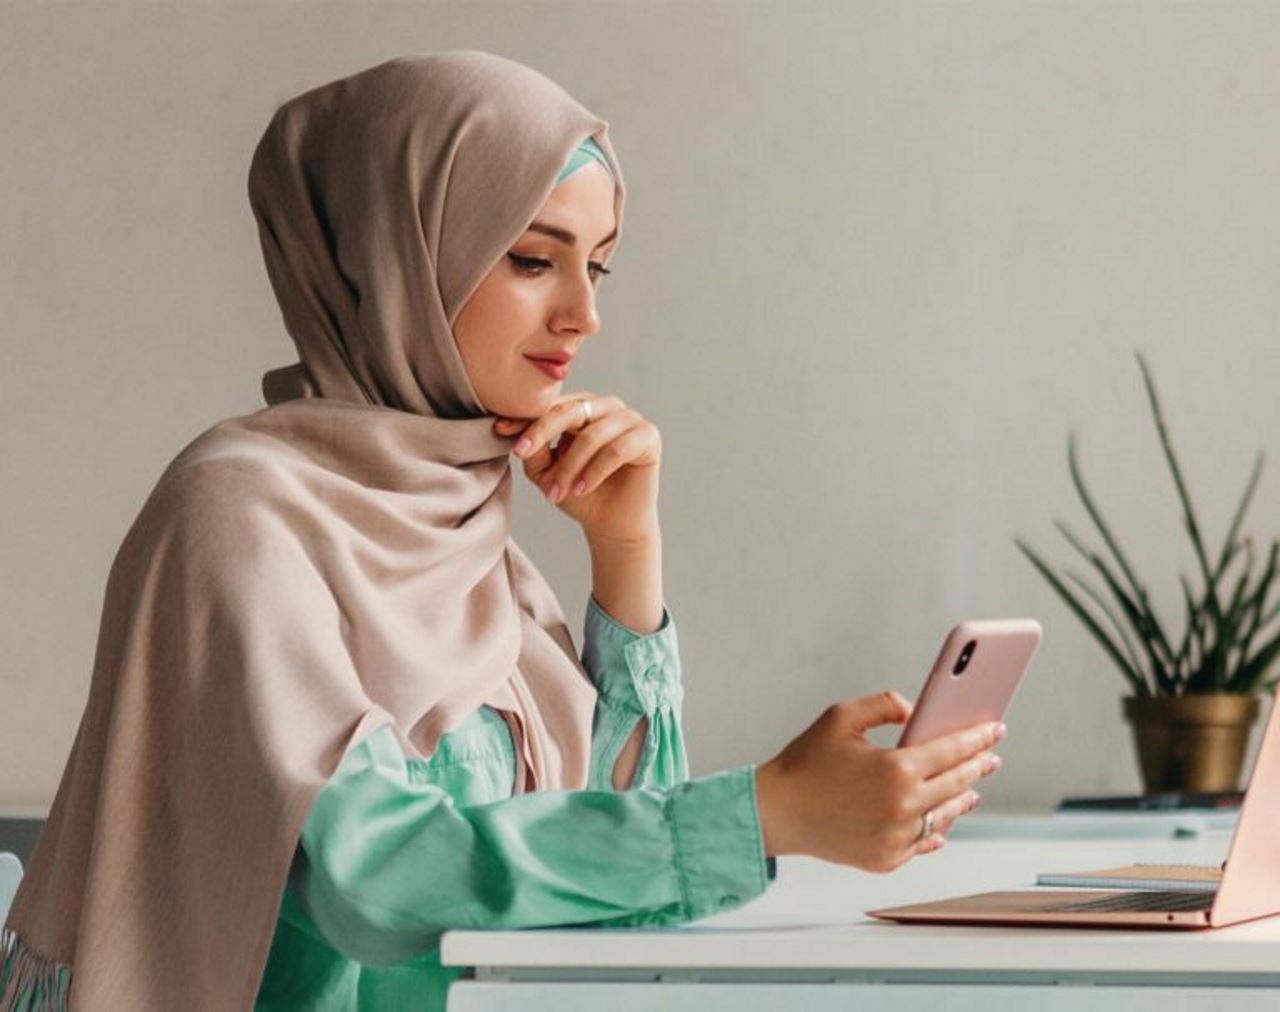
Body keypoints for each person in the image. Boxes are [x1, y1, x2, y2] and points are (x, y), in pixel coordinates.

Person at [0, 51, 1003, 1011]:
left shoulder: (476, 534)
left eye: (599, 268)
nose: (583, 316)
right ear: (400, 258)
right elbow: (372, 875)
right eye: (532, 259)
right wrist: (765, 812)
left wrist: (624, 556)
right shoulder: (239, 515)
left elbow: (617, 885)